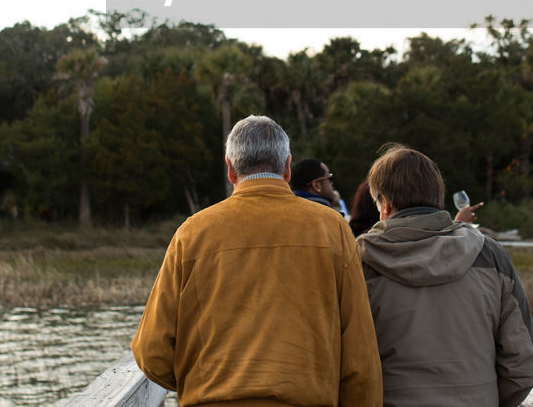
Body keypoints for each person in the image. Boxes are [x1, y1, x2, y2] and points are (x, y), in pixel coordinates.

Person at [131, 115, 383, 407]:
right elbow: (360, 357)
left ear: (230, 169)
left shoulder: (192, 233)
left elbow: (151, 351)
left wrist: (201, 381)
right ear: (287, 167)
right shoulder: (332, 228)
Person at [357, 144, 533, 407]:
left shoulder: (357, 262)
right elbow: (522, 360)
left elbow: (342, 362)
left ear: (383, 204)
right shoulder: (491, 256)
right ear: (438, 197)